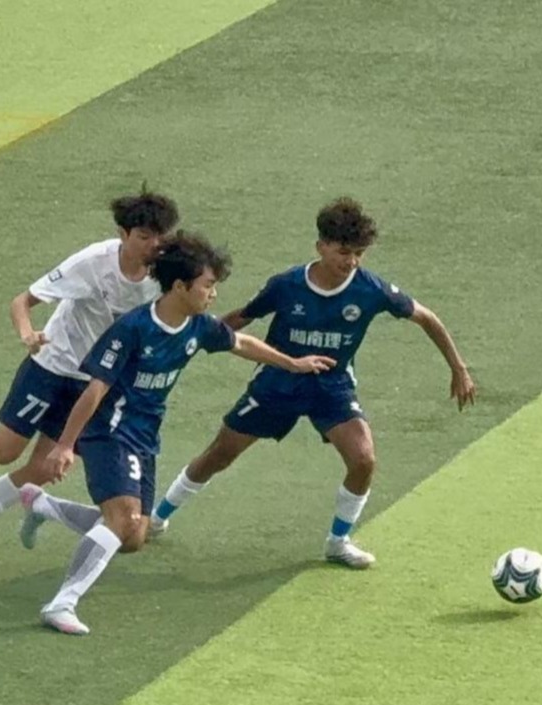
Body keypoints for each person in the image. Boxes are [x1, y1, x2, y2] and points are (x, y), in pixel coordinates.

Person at [20, 234, 334, 635]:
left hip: (145, 435)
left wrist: (292, 363)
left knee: (133, 536)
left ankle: (44, 506)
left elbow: (240, 341)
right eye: (208, 285)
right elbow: (94, 391)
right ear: (181, 286)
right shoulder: (132, 329)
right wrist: (66, 445)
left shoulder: (198, 326)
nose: (214, 294)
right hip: (110, 430)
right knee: (123, 519)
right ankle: (62, 603)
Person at [149, 197, 475, 569]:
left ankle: (338, 542)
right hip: (278, 382)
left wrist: (458, 368)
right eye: (343, 252)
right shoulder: (287, 285)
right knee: (220, 454)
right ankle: (157, 518)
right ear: (321, 246)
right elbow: (243, 317)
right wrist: (187, 340)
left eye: (358, 253)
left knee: (363, 460)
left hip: (331, 388)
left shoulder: (371, 290)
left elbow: (427, 317)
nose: (351, 261)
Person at [0, 190, 179, 563]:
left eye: (160, 237)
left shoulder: (165, 274)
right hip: (51, 365)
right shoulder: (93, 262)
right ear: (123, 234)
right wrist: (28, 334)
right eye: (144, 237)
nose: (154, 246)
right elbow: (22, 301)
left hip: (92, 383)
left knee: (42, 468)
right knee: (0, 450)